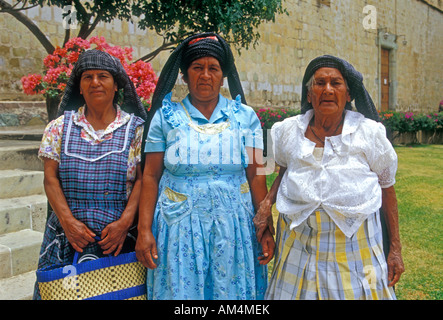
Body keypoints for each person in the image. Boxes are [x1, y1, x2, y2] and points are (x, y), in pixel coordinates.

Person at [135, 33, 274, 300]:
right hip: (179, 226)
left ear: (223, 76)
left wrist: (265, 225)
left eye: (214, 68)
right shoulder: (166, 117)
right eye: (197, 68)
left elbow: (256, 174)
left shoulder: (245, 117)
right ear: (184, 76)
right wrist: (144, 230)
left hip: (235, 226)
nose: (206, 75)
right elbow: (150, 176)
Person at [255, 55, 404, 300]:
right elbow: (282, 169)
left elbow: (387, 188)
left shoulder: (369, 133)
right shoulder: (285, 130)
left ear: (348, 94)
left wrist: (395, 249)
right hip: (298, 248)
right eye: (319, 83)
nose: (327, 89)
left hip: (356, 250)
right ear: (309, 94)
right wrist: (266, 205)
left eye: (336, 83)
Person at [34, 49, 147, 299]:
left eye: (103, 76)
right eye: (87, 77)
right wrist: (68, 222)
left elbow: (143, 179)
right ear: (80, 87)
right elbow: (50, 179)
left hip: (118, 241)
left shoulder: (137, 130)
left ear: (117, 84)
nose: (95, 82)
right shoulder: (59, 128)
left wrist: (124, 223)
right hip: (68, 239)